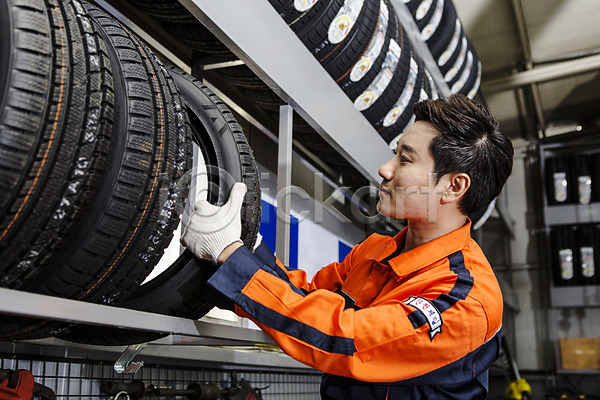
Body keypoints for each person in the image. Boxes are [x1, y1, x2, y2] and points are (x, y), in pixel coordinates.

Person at [181, 94, 514, 399]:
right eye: (394, 153)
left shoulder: (467, 298)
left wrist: (231, 258)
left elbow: (351, 340)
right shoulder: (376, 250)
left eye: (405, 160)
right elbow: (306, 295)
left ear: (453, 186)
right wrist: (245, 247)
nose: (385, 169)